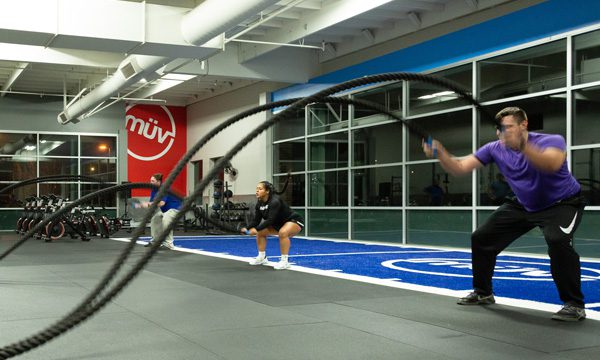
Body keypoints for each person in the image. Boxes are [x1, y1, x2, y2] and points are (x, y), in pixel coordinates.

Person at [423, 106, 586, 321]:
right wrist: (440, 154)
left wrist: (523, 146)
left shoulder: (551, 141)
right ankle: (483, 293)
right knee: (481, 237)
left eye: (509, 127)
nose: (504, 133)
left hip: (561, 204)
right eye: (501, 129)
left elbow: (551, 164)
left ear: (523, 125)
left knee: (557, 241)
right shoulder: (494, 148)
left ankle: (574, 304)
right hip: (523, 204)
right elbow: (459, 167)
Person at [241, 180, 304, 270]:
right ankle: (262, 257)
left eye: (260, 189)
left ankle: (284, 261)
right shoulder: (259, 203)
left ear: (267, 191)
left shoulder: (275, 201)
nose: (257, 191)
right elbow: (256, 221)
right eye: (256, 189)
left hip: (294, 221)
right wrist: (246, 228)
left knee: (283, 232)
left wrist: (256, 229)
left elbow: (270, 220)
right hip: (278, 224)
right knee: (261, 232)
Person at [139, 173, 182, 250]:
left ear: (158, 182)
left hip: (174, 209)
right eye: (150, 181)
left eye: (153, 181)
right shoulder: (154, 189)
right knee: (155, 219)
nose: (150, 182)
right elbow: (152, 203)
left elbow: (161, 203)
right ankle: (155, 242)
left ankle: (169, 244)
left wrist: (147, 204)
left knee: (166, 220)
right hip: (165, 210)